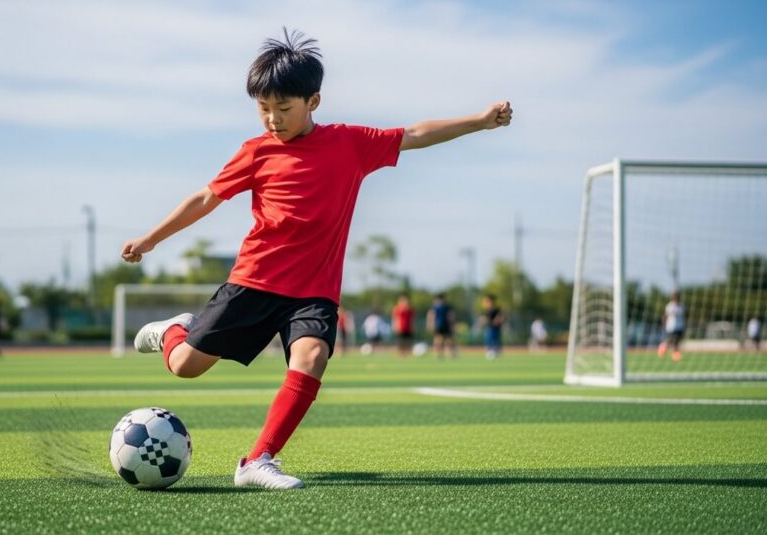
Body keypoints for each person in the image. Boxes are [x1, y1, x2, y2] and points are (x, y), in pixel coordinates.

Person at [120, 29, 512, 490]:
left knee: (311, 357)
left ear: (314, 101)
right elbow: (206, 197)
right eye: (263, 109)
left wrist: (480, 121)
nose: (272, 120)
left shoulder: (349, 143)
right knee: (186, 365)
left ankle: (257, 461)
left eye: (283, 109)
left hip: (314, 291)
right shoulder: (256, 152)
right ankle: (173, 331)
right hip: (256, 280)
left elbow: (414, 134)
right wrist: (151, 238)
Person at [426, 293, 456, 359]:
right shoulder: (434, 307)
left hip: (446, 325)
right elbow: (431, 316)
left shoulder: (447, 307)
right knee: (438, 340)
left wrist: (452, 325)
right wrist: (430, 325)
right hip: (438, 325)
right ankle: (439, 353)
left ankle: (451, 353)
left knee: (449, 340)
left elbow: (450, 316)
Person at [659, 292, 685, 361]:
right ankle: (661, 350)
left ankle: (676, 357)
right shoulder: (670, 306)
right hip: (671, 327)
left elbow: (683, 317)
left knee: (676, 343)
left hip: (679, 327)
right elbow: (665, 316)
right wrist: (664, 324)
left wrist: (684, 325)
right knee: (669, 341)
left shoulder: (681, 306)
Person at [481, 294, 504, 360]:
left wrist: (497, 320)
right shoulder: (487, 310)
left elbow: (499, 319)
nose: (484, 303)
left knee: (494, 343)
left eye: (486, 301)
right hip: (490, 328)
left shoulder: (495, 310)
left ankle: (494, 352)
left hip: (494, 329)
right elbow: (486, 319)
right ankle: (491, 352)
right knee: (489, 343)